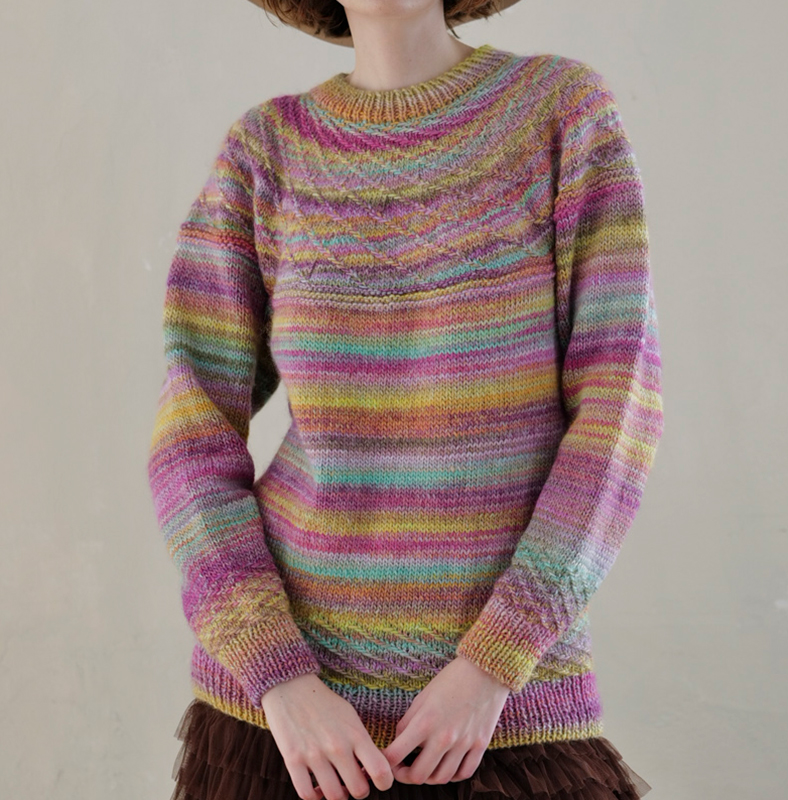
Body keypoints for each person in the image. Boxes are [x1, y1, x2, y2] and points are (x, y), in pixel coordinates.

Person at [146, 0, 664, 798]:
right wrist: (276, 673)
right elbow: (191, 432)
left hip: (500, 713)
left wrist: (494, 661)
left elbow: (619, 411)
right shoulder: (267, 150)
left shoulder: (559, 112)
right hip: (286, 723)